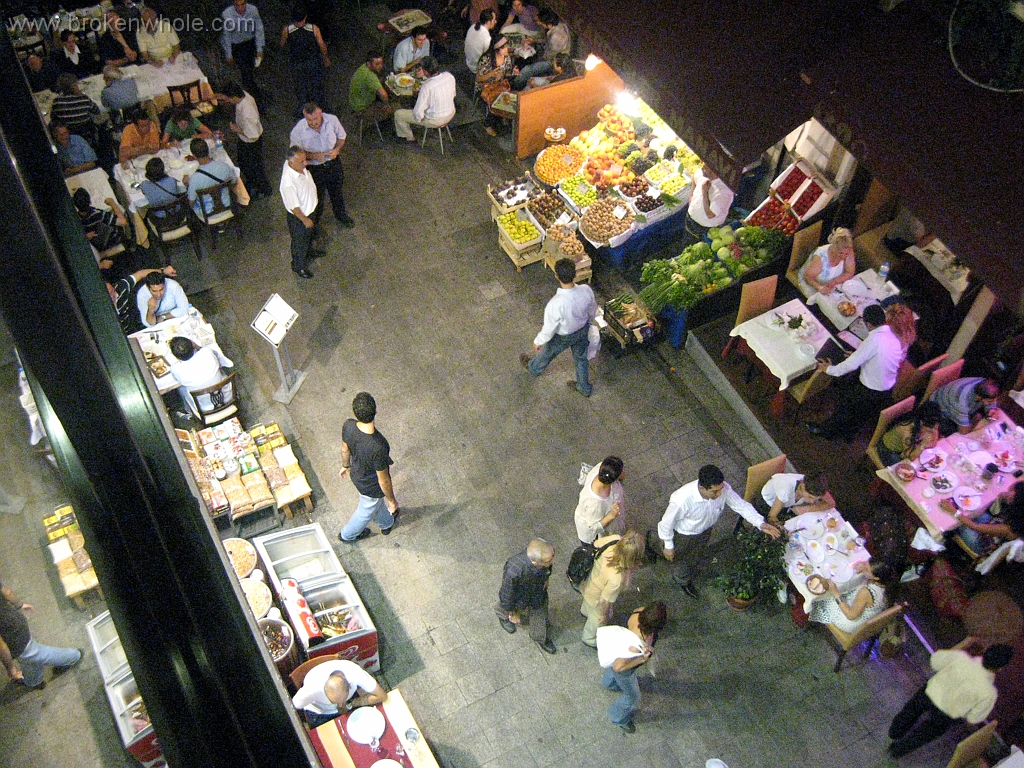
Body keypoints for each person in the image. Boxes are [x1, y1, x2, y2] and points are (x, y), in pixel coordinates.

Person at [654, 464, 781, 598]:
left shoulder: (722, 488)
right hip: (684, 535)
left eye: (720, 489)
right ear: (702, 488)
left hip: (704, 531)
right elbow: (665, 524)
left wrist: (760, 523)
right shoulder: (681, 500)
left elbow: (741, 506)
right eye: (714, 491)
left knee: (693, 555)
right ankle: (678, 575)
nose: (720, 494)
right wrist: (668, 545)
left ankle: (677, 569)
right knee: (680, 558)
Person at [888, 641, 1014, 758]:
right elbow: (974, 718)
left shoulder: (960, 658)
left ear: (985, 650)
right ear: (1000, 668)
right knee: (923, 734)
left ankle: (895, 732)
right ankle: (897, 750)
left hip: (929, 693)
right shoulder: (989, 694)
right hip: (946, 716)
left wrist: (965, 642)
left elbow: (935, 661)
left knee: (910, 712)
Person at [807, 304, 905, 439]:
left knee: (845, 409)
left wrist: (828, 369)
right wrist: (858, 354)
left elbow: (850, 365)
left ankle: (825, 431)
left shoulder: (874, 339)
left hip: (870, 388)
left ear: (868, 323)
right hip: (886, 390)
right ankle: (848, 435)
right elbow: (877, 358)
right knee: (859, 416)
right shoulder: (893, 338)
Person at [519, 258, 598, 397]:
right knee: (581, 358)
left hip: (564, 336)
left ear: (557, 276)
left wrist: (538, 341)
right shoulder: (586, 290)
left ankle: (534, 368)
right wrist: (589, 323)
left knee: (548, 352)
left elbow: (549, 329)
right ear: (575, 274)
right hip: (582, 330)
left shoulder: (555, 304)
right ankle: (584, 387)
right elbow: (592, 309)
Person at [596, 601, 667, 733]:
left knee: (612, 672)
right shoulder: (636, 645)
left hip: (619, 651)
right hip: (625, 670)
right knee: (632, 696)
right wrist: (642, 659)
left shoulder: (638, 612)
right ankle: (618, 717)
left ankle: (609, 684)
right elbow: (619, 667)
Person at [339, 392, 399, 542]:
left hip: (356, 474)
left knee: (375, 505)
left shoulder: (349, 425)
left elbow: (345, 449)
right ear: (375, 411)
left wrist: (345, 465)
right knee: (365, 511)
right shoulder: (379, 446)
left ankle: (386, 523)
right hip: (370, 487)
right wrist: (392, 500)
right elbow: (383, 480)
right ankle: (347, 535)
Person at [0, 579, 81, 691]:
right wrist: (20, 605)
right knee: (27, 659)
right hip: (15, 620)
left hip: (12, 636)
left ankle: (73, 656)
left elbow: (2, 647)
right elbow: (6, 592)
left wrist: (11, 669)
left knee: (35, 653)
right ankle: (34, 682)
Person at [289, 103, 354, 228]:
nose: (313, 122)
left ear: (321, 113)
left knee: (336, 192)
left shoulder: (332, 120)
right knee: (316, 197)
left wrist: (337, 149)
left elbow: (342, 137)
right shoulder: (298, 131)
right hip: (314, 169)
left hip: (333, 164)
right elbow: (295, 154)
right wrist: (315, 156)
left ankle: (340, 215)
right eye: (309, 120)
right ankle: (315, 223)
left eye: (316, 119)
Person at [580, 531, 644, 647]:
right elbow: (605, 601)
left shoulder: (614, 539)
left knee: (587, 605)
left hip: (589, 582)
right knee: (596, 619)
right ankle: (589, 638)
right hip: (596, 598)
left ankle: (584, 612)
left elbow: (596, 544)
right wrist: (604, 615)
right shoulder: (617, 578)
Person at [496, 539, 556, 654]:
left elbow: (548, 569)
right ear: (535, 562)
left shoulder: (544, 559)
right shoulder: (514, 569)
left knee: (539, 612)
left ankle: (539, 636)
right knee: (506, 605)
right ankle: (502, 615)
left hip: (537, 592)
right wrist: (512, 612)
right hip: (519, 595)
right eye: (549, 560)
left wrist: (546, 578)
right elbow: (507, 592)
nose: (553, 560)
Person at [291, 658, 387, 729]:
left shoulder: (355, 673)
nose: (339, 706)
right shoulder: (312, 689)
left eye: (342, 700)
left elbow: (382, 696)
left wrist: (352, 703)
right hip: (319, 713)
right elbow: (294, 706)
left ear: (350, 685)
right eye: (334, 702)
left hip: (350, 702)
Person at [219, 82, 272, 198]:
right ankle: (253, 183)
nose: (227, 101)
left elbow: (252, 134)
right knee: (245, 163)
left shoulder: (247, 113)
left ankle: (262, 189)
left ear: (233, 97)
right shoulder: (245, 96)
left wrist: (236, 129)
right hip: (246, 139)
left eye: (228, 98)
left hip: (251, 143)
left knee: (253, 167)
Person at [808, 560, 893, 633]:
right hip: (859, 612)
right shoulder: (886, 584)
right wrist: (864, 569)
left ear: (877, 578)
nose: (864, 568)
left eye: (867, 570)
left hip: (850, 622)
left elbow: (850, 616)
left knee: (823, 597)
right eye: (866, 564)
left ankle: (805, 616)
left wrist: (835, 593)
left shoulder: (867, 592)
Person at [280, 5, 330, 116]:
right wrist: (326, 58)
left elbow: (282, 44)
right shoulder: (313, 28)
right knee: (316, 85)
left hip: (297, 63)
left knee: (301, 87)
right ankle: (320, 108)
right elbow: (322, 45)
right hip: (313, 61)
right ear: (305, 17)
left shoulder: (287, 30)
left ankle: (303, 110)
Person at [394, 57, 456, 144]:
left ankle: (409, 138)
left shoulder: (427, 87)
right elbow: (453, 95)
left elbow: (418, 114)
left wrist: (418, 118)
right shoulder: (449, 76)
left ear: (425, 71)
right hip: (451, 113)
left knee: (398, 114)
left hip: (435, 120)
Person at [279, 146, 319, 279]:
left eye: (305, 160)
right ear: (291, 163)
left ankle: (309, 252)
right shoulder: (288, 184)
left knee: (308, 237)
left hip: (310, 209)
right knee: (299, 242)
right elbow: (294, 207)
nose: (305, 164)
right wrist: (305, 220)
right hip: (300, 217)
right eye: (301, 162)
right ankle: (298, 266)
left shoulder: (295, 165)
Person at [168, 336, 234, 415]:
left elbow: (178, 380)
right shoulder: (207, 352)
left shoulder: (175, 369)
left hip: (204, 408)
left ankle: (189, 411)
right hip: (227, 396)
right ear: (192, 345)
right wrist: (197, 346)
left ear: (176, 356)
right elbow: (204, 350)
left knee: (181, 388)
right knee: (219, 370)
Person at [954, 481, 1024, 554]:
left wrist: (954, 511)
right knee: (982, 514)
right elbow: (1004, 493)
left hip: (981, 544)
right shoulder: (1018, 512)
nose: (1009, 492)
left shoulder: (1008, 528)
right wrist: (1007, 496)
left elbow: (974, 526)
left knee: (960, 525)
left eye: (1012, 492)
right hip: (990, 527)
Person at [510, 9, 571, 89]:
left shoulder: (556, 37)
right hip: (551, 53)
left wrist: (535, 61)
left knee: (527, 70)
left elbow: (548, 57)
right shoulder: (559, 26)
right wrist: (534, 41)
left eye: (541, 23)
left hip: (554, 61)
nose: (540, 24)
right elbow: (546, 41)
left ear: (548, 24)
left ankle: (513, 87)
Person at [106, 266, 177, 334]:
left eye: (112, 292)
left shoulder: (121, 287)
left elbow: (141, 274)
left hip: (138, 326)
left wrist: (163, 271)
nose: (111, 296)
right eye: (107, 295)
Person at [575, 456, 625, 545]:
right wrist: (612, 515)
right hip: (595, 536)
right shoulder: (595, 504)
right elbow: (593, 528)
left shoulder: (602, 469)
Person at [877, 401, 943, 467]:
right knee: (910, 468)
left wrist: (934, 431)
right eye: (931, 427)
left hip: (908, 448)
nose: (933, 430)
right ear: (922, 422)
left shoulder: (926, 425)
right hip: (889, 450)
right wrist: (923, 444)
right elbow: (911, 457)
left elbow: (933, 443)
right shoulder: (907, 430)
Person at [222, 0, 265, 100]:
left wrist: (259, 49)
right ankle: (255, 98)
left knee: (249, 70)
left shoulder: (253, 10)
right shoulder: (227, 14)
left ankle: (251, 93)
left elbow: (259, 29)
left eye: (243, 4)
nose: (240, 8)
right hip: (237, 46)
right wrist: (229, 54)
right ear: (233, 4)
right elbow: (226, 35)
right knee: (246, 74)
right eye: (237, 5)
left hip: (249, 43)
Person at [929, 377, 1001, 436]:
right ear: (978, 397)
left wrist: (992, 409)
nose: (993, 403)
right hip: (938, 411)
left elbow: (991, 399)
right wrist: (978, 422)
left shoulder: (984, 383)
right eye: (989, 402)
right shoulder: (962, 402)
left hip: (959, 407)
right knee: (958, 436)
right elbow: (964, 432)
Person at [476, 37, 517, 137]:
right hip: (486, 86)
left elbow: (507, 74)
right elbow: (478, 79)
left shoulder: (506, 58)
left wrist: (514, 74)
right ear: (497, 50)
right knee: (498, 98)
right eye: (505, 48)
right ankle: (488, 123)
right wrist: (491, 74)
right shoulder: (486, 59)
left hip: (500, 84)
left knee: (511, 94)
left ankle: (504, 115)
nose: (507, 49)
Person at [184, 137, 235, 218]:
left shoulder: (194, 179)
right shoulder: (224, 166)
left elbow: (191, 203)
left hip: (207, 212)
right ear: (208, 150)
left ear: (194, 156)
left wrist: (187, 186)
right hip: (227, 204)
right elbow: (233, 182)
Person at [761, 471, 835, 525]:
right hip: (768, 504)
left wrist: (806, 509)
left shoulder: (813, 484)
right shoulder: (785, 489)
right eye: (810, 497)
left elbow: (831, 503)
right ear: (802, 486)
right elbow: (771, 517)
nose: (812, 502)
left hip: (788, 505)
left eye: (816, 499)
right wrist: (784, 528)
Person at [798, 227, 856, 295]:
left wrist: (835, 281)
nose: (844, 257)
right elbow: (808, 277)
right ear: (833, 248)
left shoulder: (847, 249)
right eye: (840, 253)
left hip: (835, 286)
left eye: (846, 254)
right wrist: (820, 287)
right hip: (813, 285)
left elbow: (850, 272)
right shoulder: (820, 256)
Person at [684, 164, 734, 243]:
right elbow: (694, 177)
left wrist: (704, 192)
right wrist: (691, 198)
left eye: (705, 167)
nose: (702, 168)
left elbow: (710, 214)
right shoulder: (702, 173)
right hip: (690, 219)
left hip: (704, 228)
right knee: (686, 241)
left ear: (713, 171)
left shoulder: (724, 191)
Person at [72, 188, 127, 256]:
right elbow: (123, 222)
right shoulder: (98, 214)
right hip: (109, 241)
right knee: (119, 210)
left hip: (95, 241)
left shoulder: (74, 219)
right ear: (90, 202)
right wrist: (113, 203)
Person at [50, 74, 100, 141]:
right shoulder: (84, 99)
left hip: (69, 134)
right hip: (87, 132)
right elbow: (97, 110)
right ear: (73, 87)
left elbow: (53, 117)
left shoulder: (57, 102)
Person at [349, 53, 392, 125]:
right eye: (377, 64)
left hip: (355, 102)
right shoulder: (370, 77)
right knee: (395, 109)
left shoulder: (363, 68)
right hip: (363, 108)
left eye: (381, 63)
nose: (380, 66)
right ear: (369, 64)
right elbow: (383, 95)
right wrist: (386, 105)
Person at [465, 9, 496, 74]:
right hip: (476, 68)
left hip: (468, 62)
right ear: (488, 22)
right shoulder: (486, 38)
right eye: (494, 20)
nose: (495, 22)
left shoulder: (473, 26)